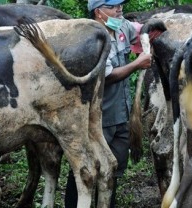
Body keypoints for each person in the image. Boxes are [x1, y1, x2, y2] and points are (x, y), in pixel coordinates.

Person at [64, 0, 154, 207]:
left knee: (113, 168)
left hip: (121, 114)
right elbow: (107, 76)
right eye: (112, 6)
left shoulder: (121, 26)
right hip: (98, 118)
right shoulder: (92, 38)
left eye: (120, 4)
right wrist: (137, 63)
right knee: (86, 167)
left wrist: (154, 27)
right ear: (98, 12)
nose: (119, 9)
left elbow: (139, 29)